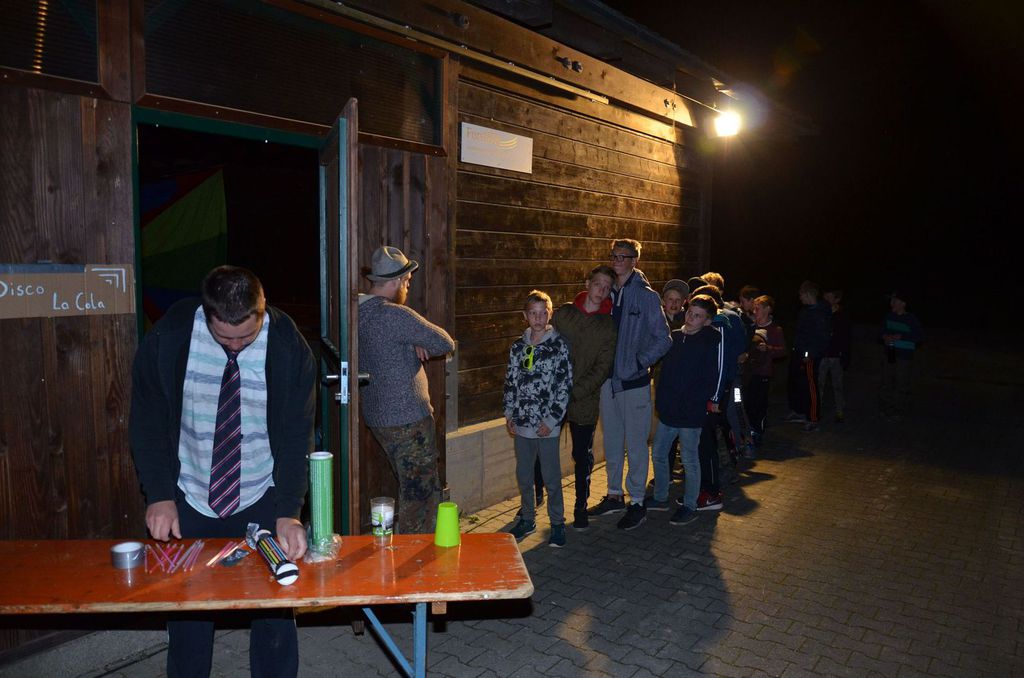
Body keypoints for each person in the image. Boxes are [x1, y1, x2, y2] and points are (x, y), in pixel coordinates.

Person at [130, 265, 315, 678]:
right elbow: (147, 419)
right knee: (189, 617)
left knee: (274, 615)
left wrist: (289, 510)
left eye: (245, 337)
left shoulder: (288, 347)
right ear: (206, 312)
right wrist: (159, 494)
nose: (234, 346)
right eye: (224, 337)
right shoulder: (170, 335)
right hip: (191, 496)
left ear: (262, 310)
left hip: (260, 494)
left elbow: (296, 433)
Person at [359, 246, 455, 534]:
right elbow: (445, 342)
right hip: (408, 419)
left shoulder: (356, 313)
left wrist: (412, 341)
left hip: (378, 417)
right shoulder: (394, 315)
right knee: (420, 495)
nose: (408, 287)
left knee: (407, 484)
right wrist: (417, 341)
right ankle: (416, 552)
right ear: (396, 281)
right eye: (407, 282)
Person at [588, 238, 672, 531]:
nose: (617, 261)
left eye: (623, 256)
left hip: (634, 383)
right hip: (608, 382)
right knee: (612, 442)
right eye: (614, 255)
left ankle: (637, 502)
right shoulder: (607, 291)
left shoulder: (646, 297)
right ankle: (614, 495)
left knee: (636, 445)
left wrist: (639, 362)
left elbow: (664, 338)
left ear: (635, 260)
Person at [504, 290, 573, 546]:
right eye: (533, 313)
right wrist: (509, 413)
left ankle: (557, 523)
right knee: (524, 474)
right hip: (522, 423)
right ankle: (528, 518)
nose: (538, 318)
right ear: (525, 316)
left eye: (543, 313)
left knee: (551, 476)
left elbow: (564, 386)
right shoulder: (518, 347)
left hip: (546, 426)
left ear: (550, 314)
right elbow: (510, 381)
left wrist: (552, 420)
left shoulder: (559, 346)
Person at [552, 265, 617, 530]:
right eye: (598, 284)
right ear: (588, 283)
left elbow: (603, 367)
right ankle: (538, 501)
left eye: (606, 287)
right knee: (544, 451)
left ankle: (580, 506)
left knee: (581, 455)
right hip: (554, 397)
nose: (601, 290)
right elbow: (547, 347)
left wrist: (575, 391)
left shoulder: (608, 325)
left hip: (585, 399)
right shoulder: (564, 314)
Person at [650, 294, 723, 524]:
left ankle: (690, 505)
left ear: (707, 321)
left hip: (691, 413)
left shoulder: (709, 342)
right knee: (659, 453)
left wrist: (702, 402)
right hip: (669, 410)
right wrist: (662, 401)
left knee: (690, 460)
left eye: (698, 316)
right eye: (690, 312)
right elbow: (664, 373)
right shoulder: (674, 337)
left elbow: (712, 377)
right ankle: (660, 496)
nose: (691, 317)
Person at [785, 280, 831, 431]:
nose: (799, 297)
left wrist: (809, 354)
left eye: (801, 294)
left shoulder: (819, 313)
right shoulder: (806, 311)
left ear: (808, 294)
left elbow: (821, 338)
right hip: (799, 353)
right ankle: (799, 411)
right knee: (798, 383)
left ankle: (813, 417)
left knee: (811, 385)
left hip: (809, 356)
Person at [745, 295, 787, 447]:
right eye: (754, 308)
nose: (754, 311)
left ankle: (757, 433)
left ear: (767, 309)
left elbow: (782, 351)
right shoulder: (751, 326)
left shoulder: (775, 330)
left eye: (758, 308)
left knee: (759, 405)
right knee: (746, 404)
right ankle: (747, 433)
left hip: (763, 373)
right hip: (748, 372)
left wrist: (768, 349)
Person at [880, 290, 924, 419]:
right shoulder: (889, 316)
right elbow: (880, 332)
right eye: (891, 300)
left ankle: (899, 409)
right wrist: (885, 337)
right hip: (890, 353)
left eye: (895, 300)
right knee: (887, 381)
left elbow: (920, 337)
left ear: (903, 303)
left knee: (902, 383)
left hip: (904, 355)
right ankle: (886, 408)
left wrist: (902, 336)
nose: (892, 303)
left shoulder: (911, 319)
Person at [819, 289, 852, 422]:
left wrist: (845, 357)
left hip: (836, 356)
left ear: (837, 299)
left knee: (837, 384)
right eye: (825, 297)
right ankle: (816, 409)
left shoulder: (842, 316)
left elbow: (846, 338)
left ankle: (839, 410)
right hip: (822, 355)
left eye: (829, 297)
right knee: (819, 384)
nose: (826, 300)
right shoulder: (821, 314)